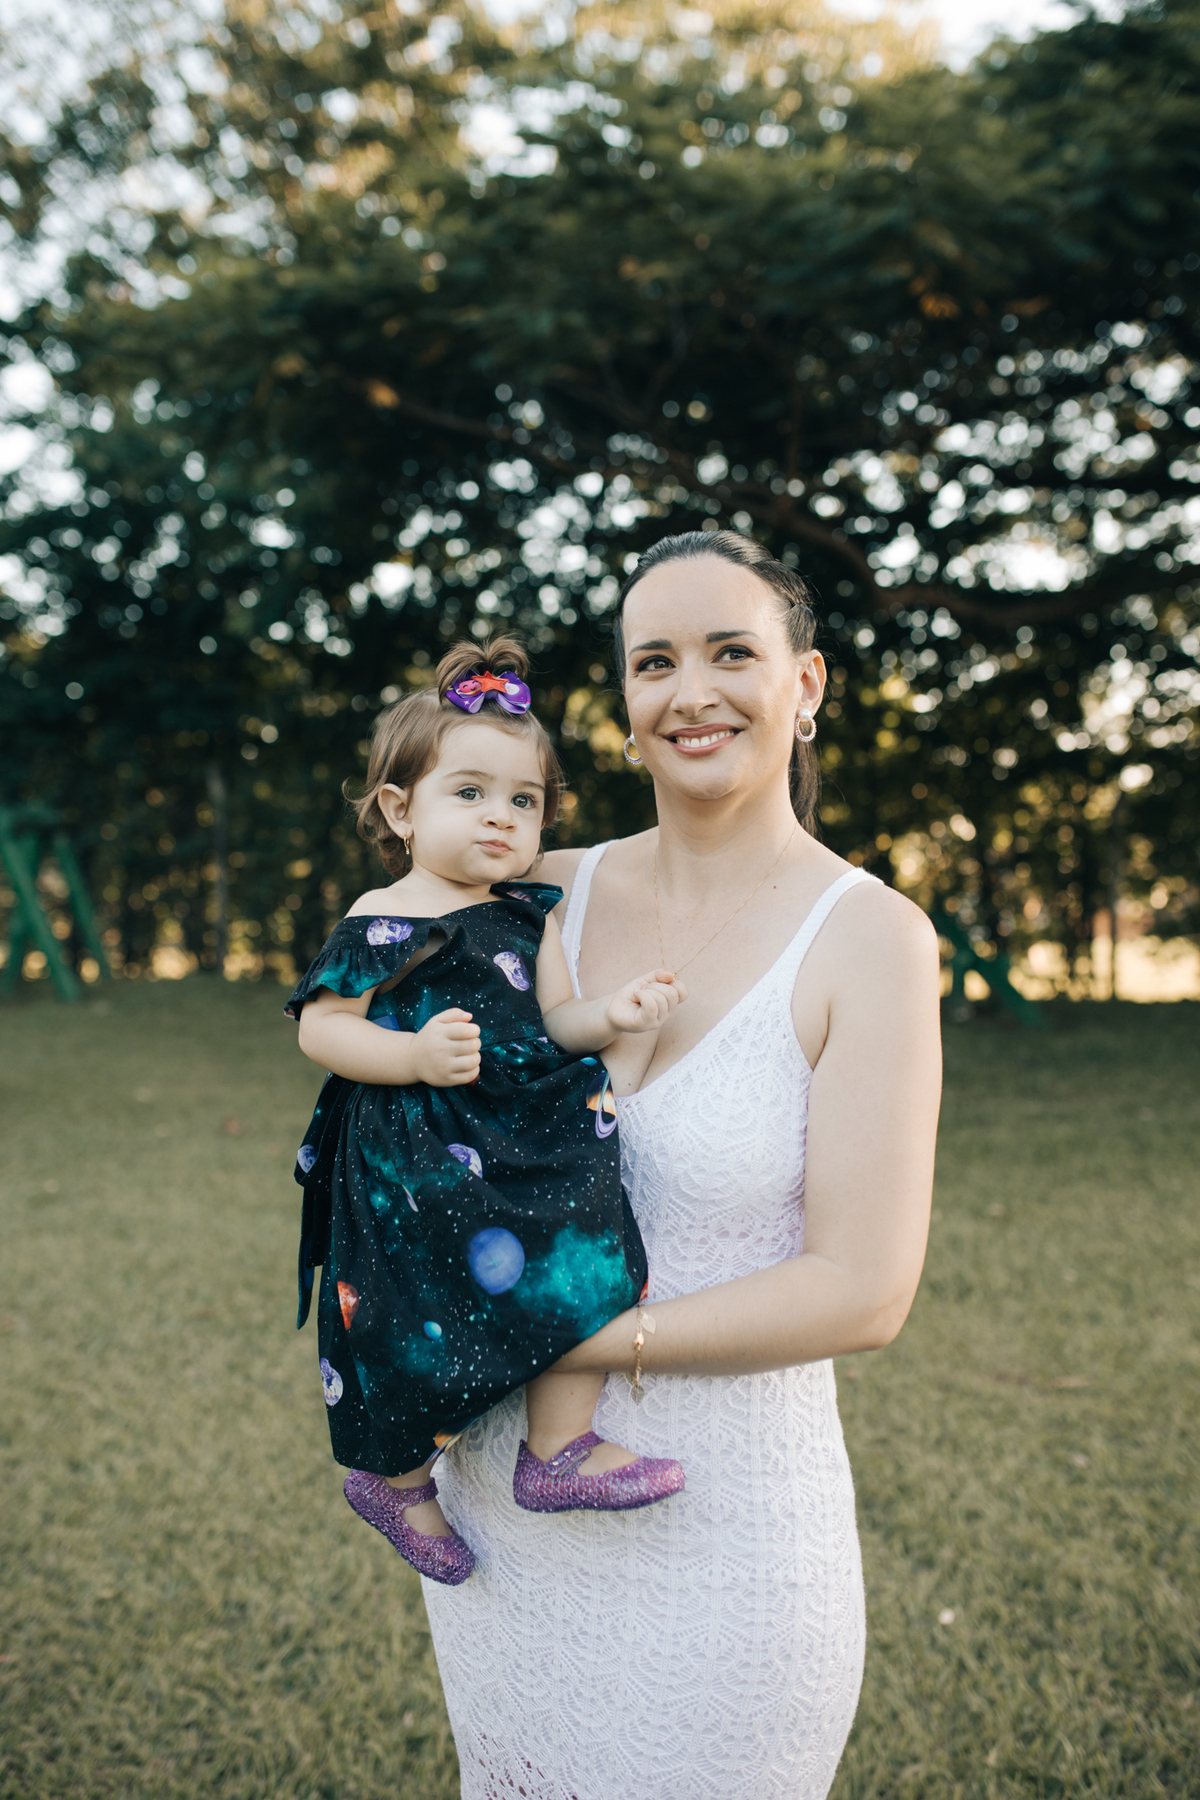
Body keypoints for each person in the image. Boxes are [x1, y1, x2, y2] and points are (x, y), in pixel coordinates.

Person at [422, 531, 943, 1800]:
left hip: (728, 1536)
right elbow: (401, 1112)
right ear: (624, 703)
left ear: (805, 685)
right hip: (506, 1532)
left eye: (730, 653)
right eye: (654, 662)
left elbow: (864, 1290)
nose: (690, 692)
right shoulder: (529, 891)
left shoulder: (870, 938)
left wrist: (559, 1334)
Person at [284, 638, 688, 1588]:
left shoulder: (525, 914)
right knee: (410, 1311)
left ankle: (558, 1448)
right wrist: (411, 1056)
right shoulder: (384, 913)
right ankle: (397, 1478)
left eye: (524, 801)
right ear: (401, 809)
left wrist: (614, 1014)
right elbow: (324, 1027)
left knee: (585, 1235)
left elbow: (557, 1018)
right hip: (416, 1147)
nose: (502, 817)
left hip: (520, 1128)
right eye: (469, 793)